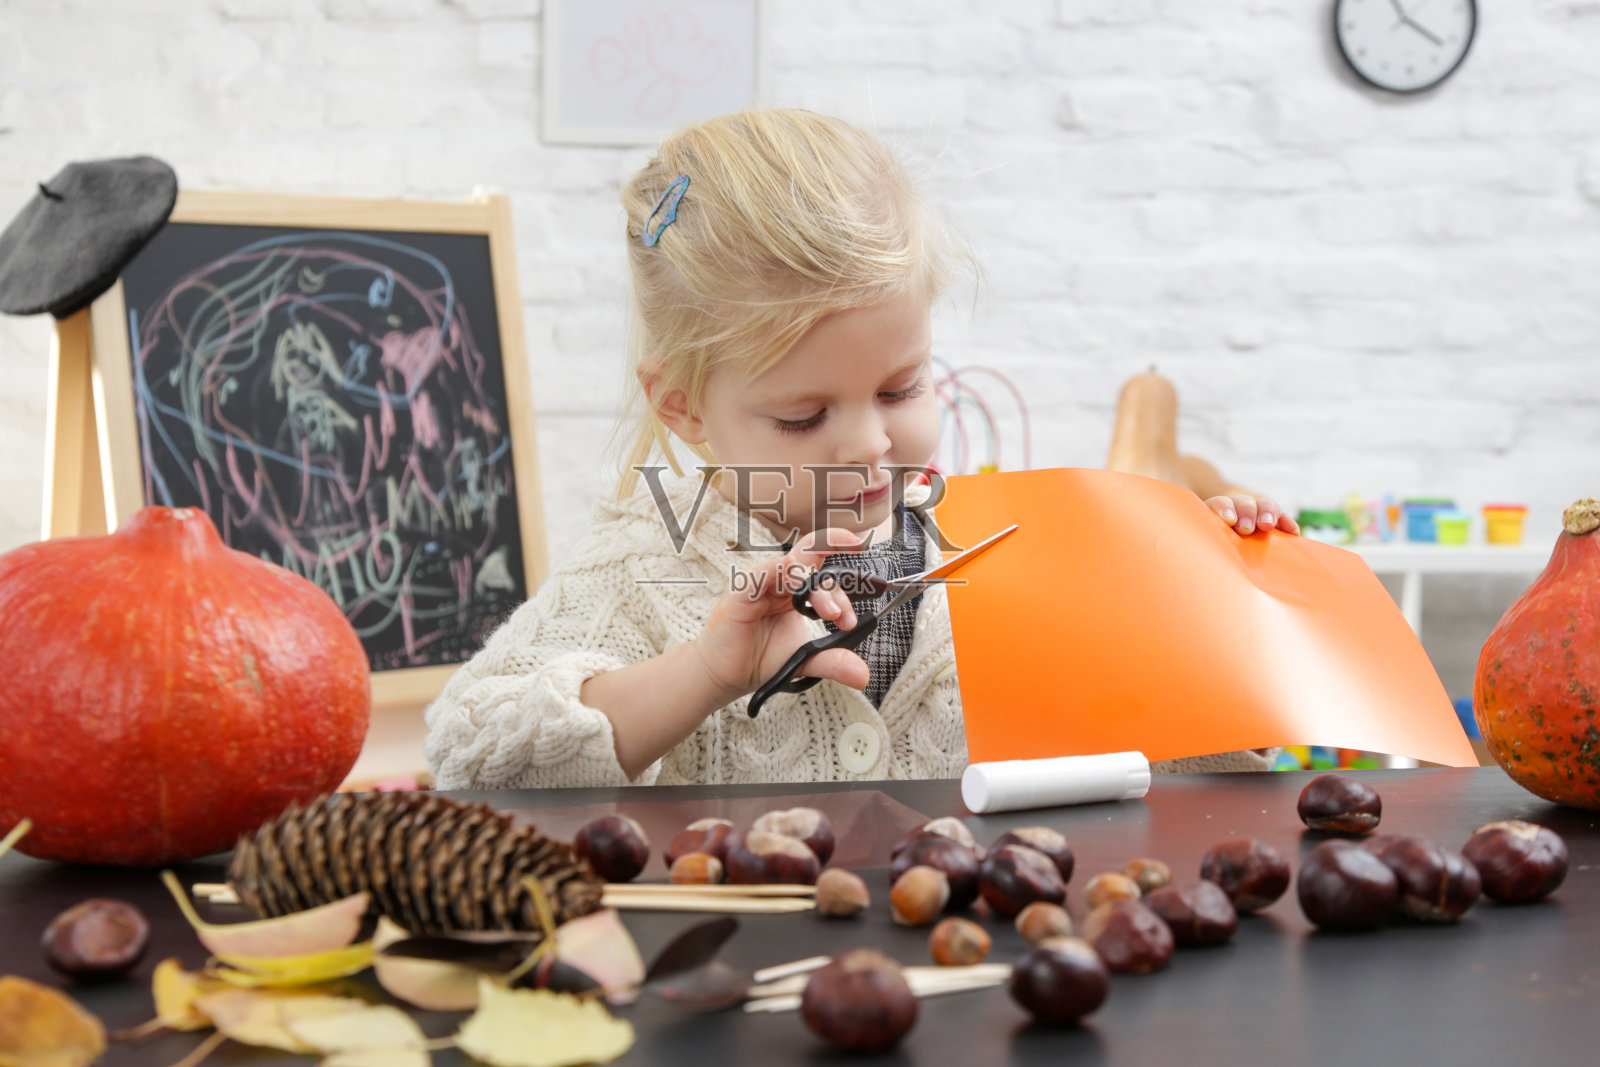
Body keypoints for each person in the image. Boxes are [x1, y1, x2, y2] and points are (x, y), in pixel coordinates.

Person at [424, 109, 1297, 789]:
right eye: (804, 417)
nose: (873, 445)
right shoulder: (640, 566)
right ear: (682, 407)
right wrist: (701, 673)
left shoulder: (1013, 560)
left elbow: (1192, 778)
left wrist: (1210, 626)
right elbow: (471, 756)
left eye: (901, 389)